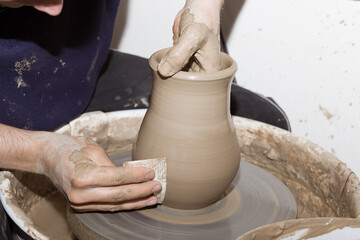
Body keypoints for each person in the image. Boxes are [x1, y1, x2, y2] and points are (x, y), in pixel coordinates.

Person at [0, 0, 223, 214]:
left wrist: (203, 10)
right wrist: (39, 153)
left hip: (83, 72)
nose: (57, 7)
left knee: (237, 106)